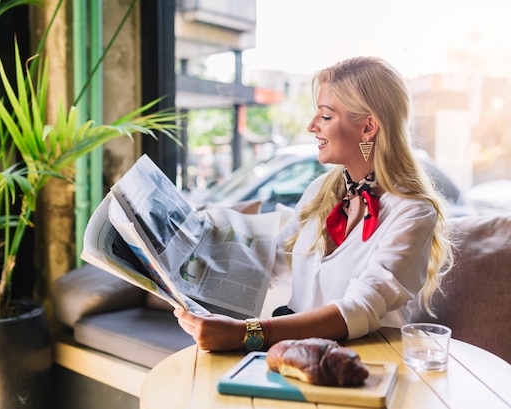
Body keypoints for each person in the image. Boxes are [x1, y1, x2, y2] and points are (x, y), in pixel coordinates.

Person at [174, 56, 454, 352]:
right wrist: (192, 240)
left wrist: (249, 333)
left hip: (368, 366)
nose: (311, 126)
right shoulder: (320, 190)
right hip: (296, 357)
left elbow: (360, 308)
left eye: (326, 116)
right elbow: (275, 262)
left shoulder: (413, 212)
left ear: (368, 127)